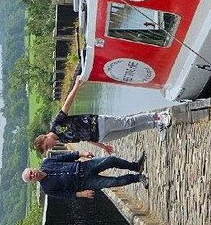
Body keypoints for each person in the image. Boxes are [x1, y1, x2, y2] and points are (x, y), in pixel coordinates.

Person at [33, 75, 171, 156]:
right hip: (99, 136)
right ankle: (157, 124)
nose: (49, 148)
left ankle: (158, 115)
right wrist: (102, 146)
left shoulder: (56, 124)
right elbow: (83, 138)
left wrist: (76, 86)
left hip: (98, 123)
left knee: (128, 122)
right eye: (47, 149)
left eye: (46, 146)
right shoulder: (63, 140)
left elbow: (66, 106)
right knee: (129, 130)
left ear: (45, 137)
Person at [21, 149, 147, 200]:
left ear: (33, 168)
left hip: (84, 167)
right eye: (30, 177)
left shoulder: (47, 162)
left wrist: (82, 153)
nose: (33, 175)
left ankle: (135, 166)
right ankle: (138, 178)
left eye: (31, 173)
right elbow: (66, 195)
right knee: (114, 182)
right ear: (32, 182)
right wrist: (82, 194)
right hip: (84, 183)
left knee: (110, 160)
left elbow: (66, 156)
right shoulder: (47, 189)